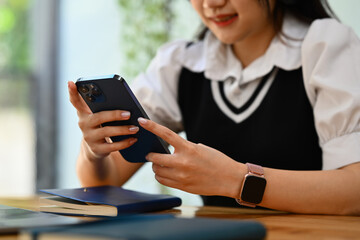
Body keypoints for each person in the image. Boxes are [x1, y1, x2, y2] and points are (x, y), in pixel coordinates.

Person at [68, 0, 360, 215]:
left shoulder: (325, 47)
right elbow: (102, 184)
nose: (212, 4)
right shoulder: (181, 64)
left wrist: (235, 180)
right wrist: (94, 151)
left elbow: (354, 192)